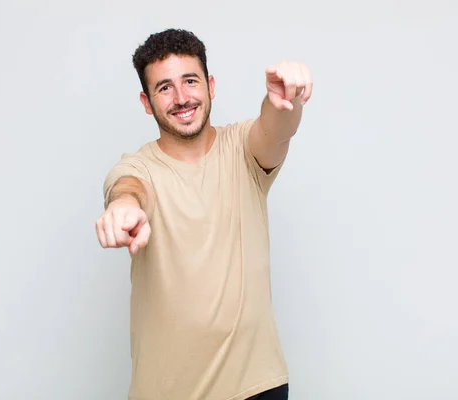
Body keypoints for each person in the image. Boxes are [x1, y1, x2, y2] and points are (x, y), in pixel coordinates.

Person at [95, 28, 312, 400]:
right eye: (164, 88)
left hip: (257, 385)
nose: (181, 98)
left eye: (190, 81)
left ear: (210, 85)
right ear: (147, 102)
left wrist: (283, 101)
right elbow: (126, 188)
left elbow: (276, 132)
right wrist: (124, 208)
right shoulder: (138, 168)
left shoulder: (244, 148)